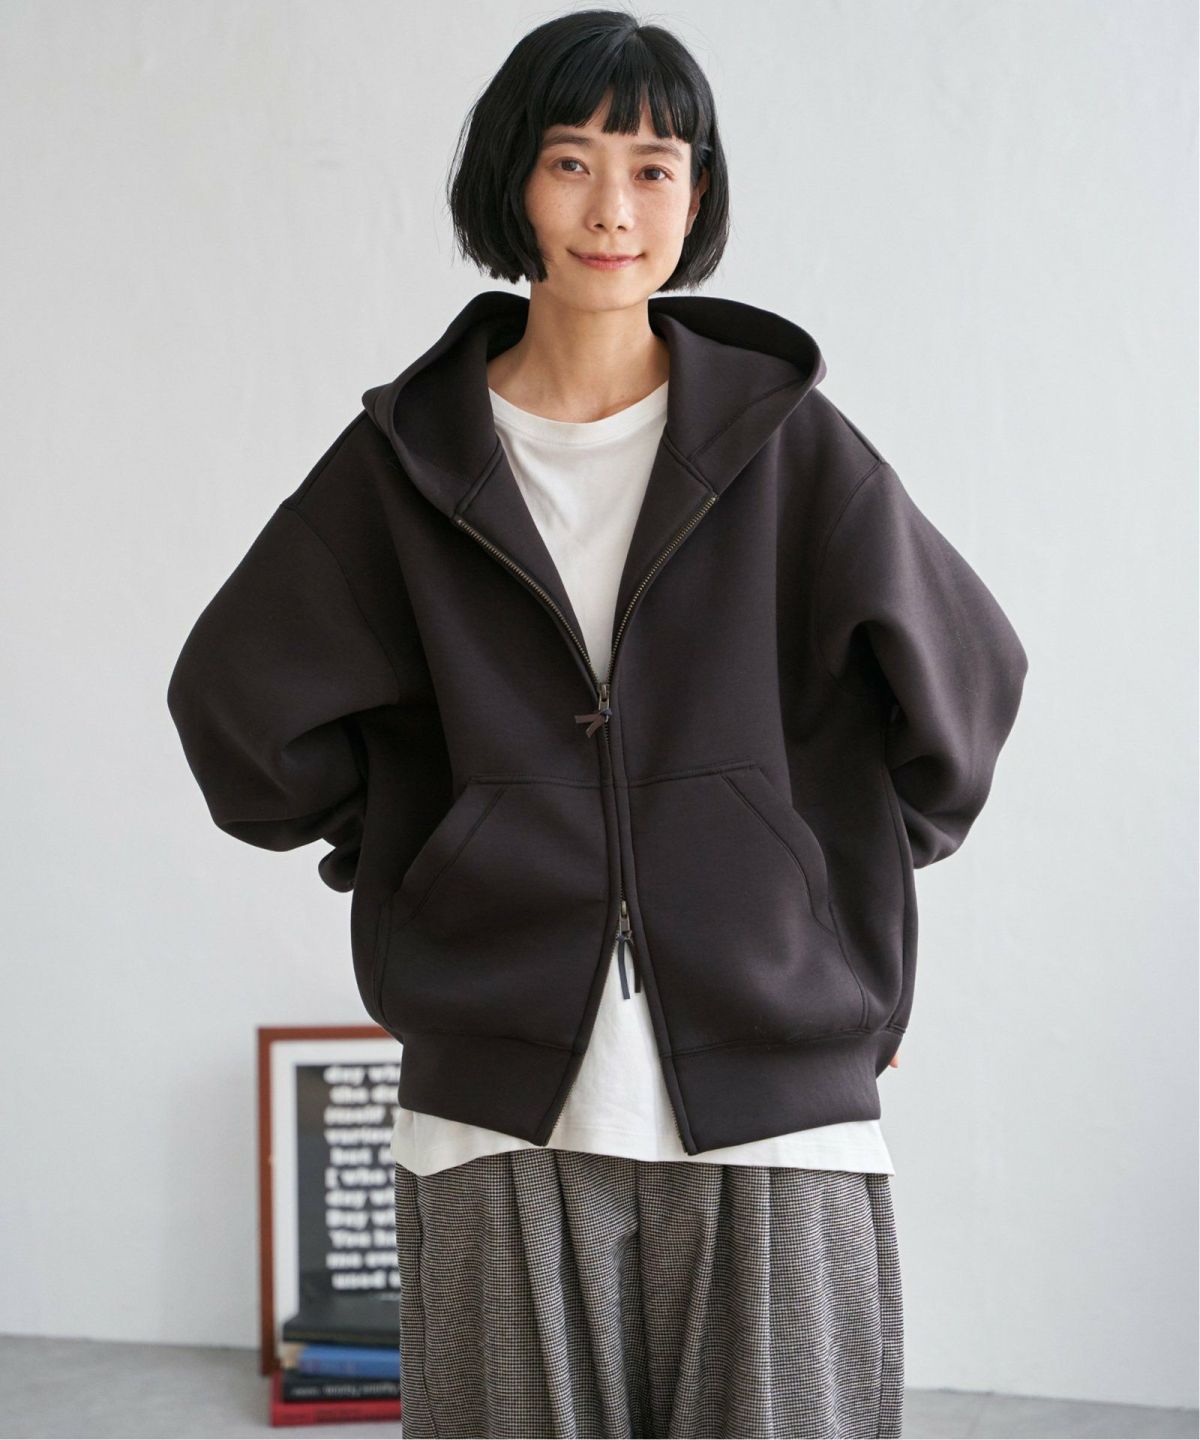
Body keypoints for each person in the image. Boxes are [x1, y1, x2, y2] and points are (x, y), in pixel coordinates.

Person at [167, 9, 1028, 1438]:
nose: (613, 208)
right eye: (571, 161)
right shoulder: (405, 462)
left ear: (697, 195)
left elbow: (964, 689)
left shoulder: (784, 442)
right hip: (499, 1100)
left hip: (775, 1097)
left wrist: (821, 899)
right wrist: (439, 842)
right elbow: (238, 711)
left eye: (653, 166)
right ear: (512, 182)